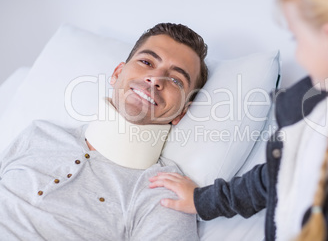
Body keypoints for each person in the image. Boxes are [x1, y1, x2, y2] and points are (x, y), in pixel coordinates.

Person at [149, 0, 328, 240]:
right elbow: (277, 175)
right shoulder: (313, 108)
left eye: (297, 39)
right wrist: (203, 201)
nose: (300, 54)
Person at [0, 23, 208, 240]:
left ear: (182, 112)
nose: (156, 79)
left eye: (176, 80)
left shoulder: (165, 190)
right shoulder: (39, 134)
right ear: (117, 73)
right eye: (146, 62)